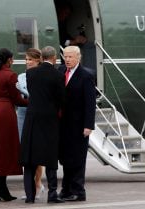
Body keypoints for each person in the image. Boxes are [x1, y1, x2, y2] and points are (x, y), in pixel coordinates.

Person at [20, 46, 65, 204]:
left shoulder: (30, 73)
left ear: (41, 57)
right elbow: (61, 99)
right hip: (50, 119)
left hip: (32, 118)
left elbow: (32, 92)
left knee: (29, 158)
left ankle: (30, 196)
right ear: (53, 58)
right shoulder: (58, 75)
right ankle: (52, 194)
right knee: (50, 157)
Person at [0, 48, 28, 202]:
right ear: (9, 60)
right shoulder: (10, 75)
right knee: (5, 149)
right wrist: (33, 102)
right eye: (12, 59)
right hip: (4, 112)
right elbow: (17, 99)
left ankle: (0, 189)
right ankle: (1, 189)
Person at [58, 46, 96, 201]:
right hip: (63, 124)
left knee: (78, 158)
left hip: (79, 125)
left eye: (70, 57)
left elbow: (90, 103)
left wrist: (89, 125)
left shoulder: (85, 76)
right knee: (66, 157)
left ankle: (78, 191)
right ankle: (66, 189)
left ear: (78, 58)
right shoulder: (60, 72)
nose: (67, 59)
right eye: (65, 56)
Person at [16, 48, 45, 200]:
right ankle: (29, 188)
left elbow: (36, 95)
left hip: (37, 114)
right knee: (25, 152)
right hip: (22, 114)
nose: (27, 62)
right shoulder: (21, 76)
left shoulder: (41, 75)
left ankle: (38, 184)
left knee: (37, 152)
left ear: (38, 61)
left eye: (30, 60)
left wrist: (24, 92)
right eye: (26, 59)